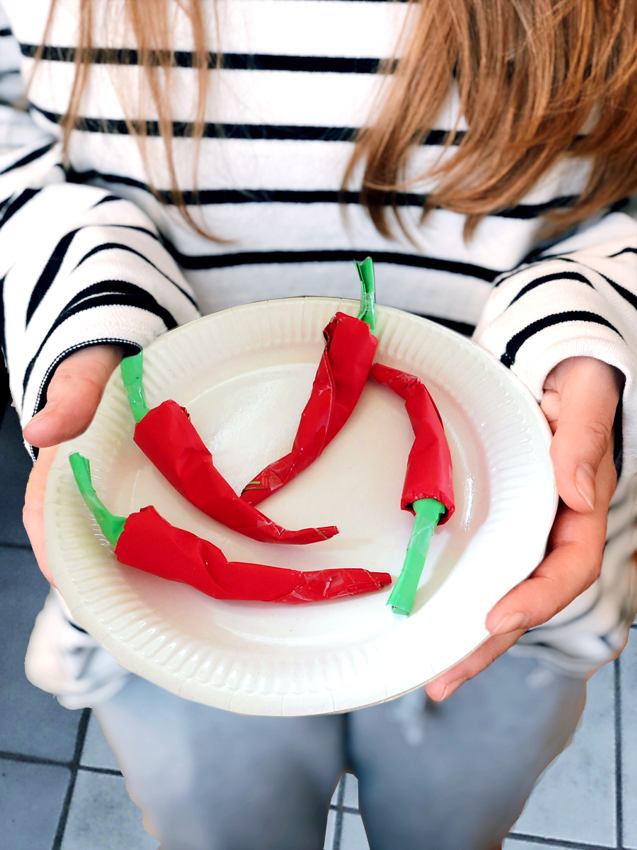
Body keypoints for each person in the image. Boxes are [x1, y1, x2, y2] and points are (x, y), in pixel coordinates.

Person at [1, 1, 636, 848]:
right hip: (176, 618)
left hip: (515, 577)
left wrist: (582, 335)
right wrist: (92, 310)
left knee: (447, 827)